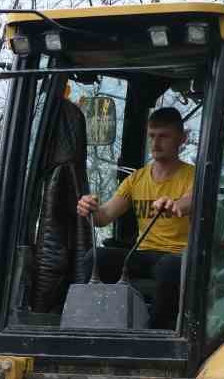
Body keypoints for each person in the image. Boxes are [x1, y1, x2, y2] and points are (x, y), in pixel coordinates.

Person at [75, 106, 193, 329]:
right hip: (143, 255)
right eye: (152, 136)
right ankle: (93, 327)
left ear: (182, 139)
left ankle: (156, 334)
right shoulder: (136, 179)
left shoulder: (193, 175)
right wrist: (88, 208)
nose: (156, 143)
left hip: (179, 257)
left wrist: (175, 204)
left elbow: (192, 199)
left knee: (169, 267)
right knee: (95, 257)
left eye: (164, 136)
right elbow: (104, 217)